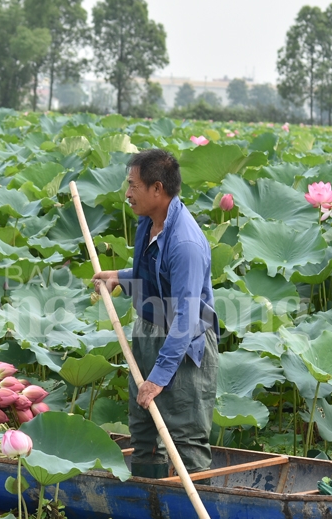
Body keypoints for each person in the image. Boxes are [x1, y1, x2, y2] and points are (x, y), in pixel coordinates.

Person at [93, 149, 219, 480]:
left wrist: (159, 378)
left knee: (184, 437)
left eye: (133, 185)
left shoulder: (185, 244)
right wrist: (120, 276)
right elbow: (152, 276)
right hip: (149, 333)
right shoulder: (148, 223)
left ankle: (191, 501)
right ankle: (149, 502)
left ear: (157, 190)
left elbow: (186, 318)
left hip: (184, 346)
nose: (128, 193)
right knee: (145, 435)